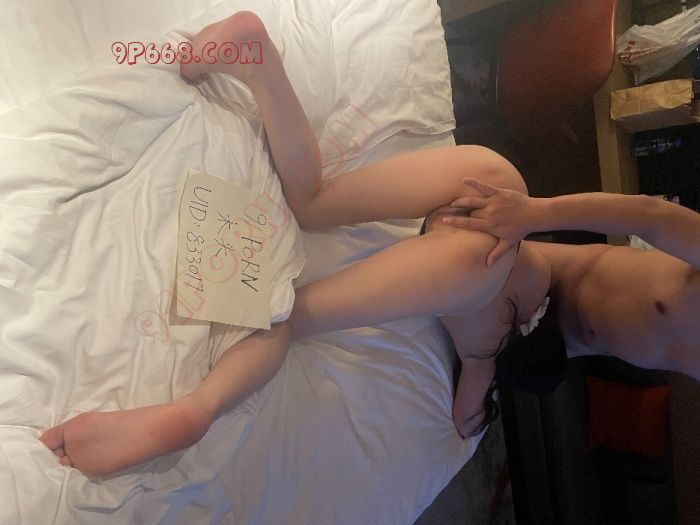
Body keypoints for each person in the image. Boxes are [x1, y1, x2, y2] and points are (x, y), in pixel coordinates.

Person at [38, 11, 554, 477]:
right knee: (288, 321)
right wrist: (482, 394)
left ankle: (259, 63)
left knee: (312, 199)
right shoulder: (488, 349)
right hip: (475, 265)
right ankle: (198, 408)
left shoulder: (545, 272)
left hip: (502, 186)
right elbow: (465, 420)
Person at [445, 179, 700, 380]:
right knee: (452, 272)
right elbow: (651, 216)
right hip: (547, 274)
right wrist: (532, 212)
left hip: (548, 345)